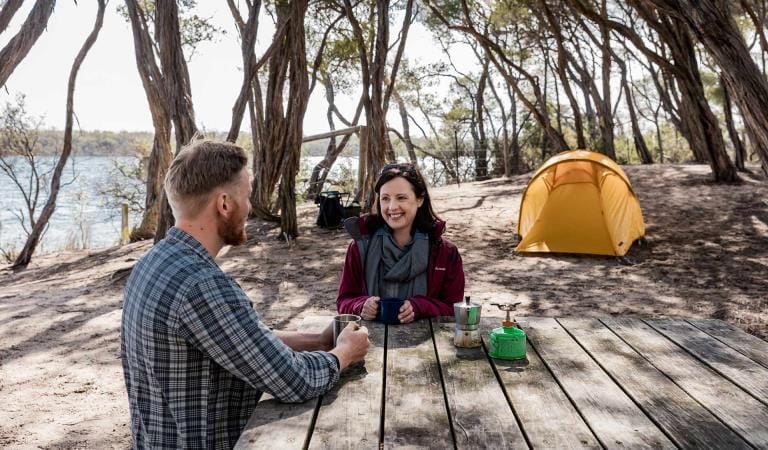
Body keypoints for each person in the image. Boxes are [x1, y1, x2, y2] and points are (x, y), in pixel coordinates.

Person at [121, 140, 369, 449]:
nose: (250, 208)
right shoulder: (201, 285)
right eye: (248, 196)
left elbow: (244, 341)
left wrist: (318, 341)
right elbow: (294, 381)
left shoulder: (153, 263)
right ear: (224, 204)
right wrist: (343, 354)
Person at [336, 162, 465, 323]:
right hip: (367, 343)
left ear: (419, 199)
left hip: (428, 344)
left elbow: (455, 309)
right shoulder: (359, 248)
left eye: (401, 198)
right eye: (385, 199)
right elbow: (344, 301)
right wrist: (361, 305)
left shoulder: (445, 253)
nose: (392, 207)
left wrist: (420, 307)